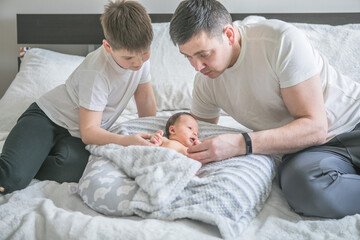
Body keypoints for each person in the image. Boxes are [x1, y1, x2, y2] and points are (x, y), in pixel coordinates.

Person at [169, 0, 360, 219]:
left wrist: (242, 143)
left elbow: (316, 128)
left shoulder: (279, 40)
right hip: (312, 151)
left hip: (353, 123)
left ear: (229, 35)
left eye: (203, 54)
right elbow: (194, 136)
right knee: (302, 188)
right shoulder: (205, 83)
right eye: (188, 57)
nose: (197, 67)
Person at [0, 0, 157, 194]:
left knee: (83, 168)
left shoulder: (139, 58)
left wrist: (155, 138)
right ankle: (22, 163)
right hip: (47, 119)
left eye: (144, 53)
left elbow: (146, 102)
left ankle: (32, 158)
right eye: (128, 58)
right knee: (11, 178)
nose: (139, 62)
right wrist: (126, 141)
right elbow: (89, 132)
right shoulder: (97, 71)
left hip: (74, 136)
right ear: (108, 47)